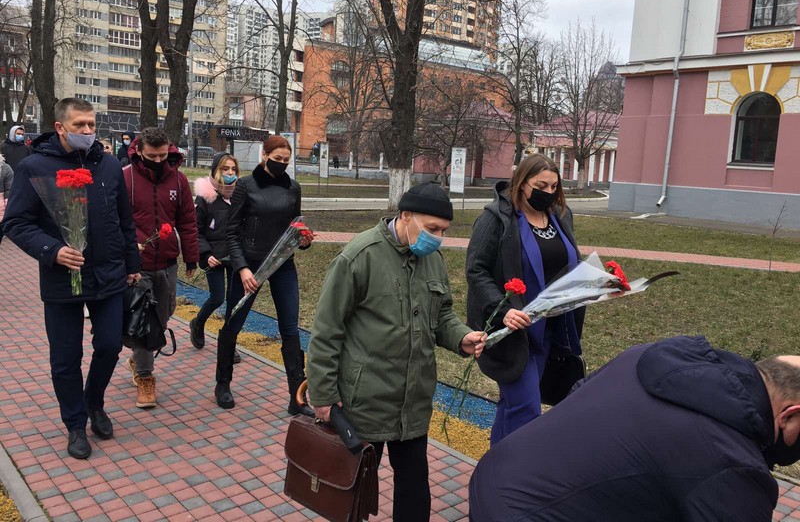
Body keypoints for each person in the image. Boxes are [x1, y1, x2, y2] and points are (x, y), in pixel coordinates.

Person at [469, 335, 800, 521]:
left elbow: (578, 390)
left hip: (496, 473)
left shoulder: (658, 355)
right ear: (789, 414)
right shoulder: (735, 465)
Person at [307, 182, 487, 522]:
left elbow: (443, 315)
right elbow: (327, 331)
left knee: (414, 489)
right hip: (364, 404)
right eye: (432, 228)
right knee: (351, 492)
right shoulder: (359, 256)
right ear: (405, 215)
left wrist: (462, 337)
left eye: (444, 231)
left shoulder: (432, 260)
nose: (438, 238)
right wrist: (323, 395)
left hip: (413, 402)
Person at [1, 98, 141, 460]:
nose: (88, 131)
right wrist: (52, 250)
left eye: (91, 124)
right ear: (60, 127)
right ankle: (75, 424)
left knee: (109, 345)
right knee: (65, 357)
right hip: (62, 278)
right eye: (79, 125)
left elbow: (124, 221)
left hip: (108, 275)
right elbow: (15, 223)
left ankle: (94, 402)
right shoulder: (34, 166)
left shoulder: (109, 165)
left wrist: (132, 262)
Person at [466, 153, 584, 445]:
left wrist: (600, 286)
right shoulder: (496, 219)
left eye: (554, 186)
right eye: (541, 186)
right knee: (527, 409)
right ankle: (516, 470)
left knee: (514, 406)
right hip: (514, 333)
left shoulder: (561, 216)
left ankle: (496, 467)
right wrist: (503, 309)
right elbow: (476, 270)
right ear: (521, 183)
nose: (549, 193)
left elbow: (570, 264)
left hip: (552, 330)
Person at [217, 136, 313, 411]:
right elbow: (231, 232)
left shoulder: (293, 188)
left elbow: (295, 226)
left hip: (283, 265)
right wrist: (242, 268)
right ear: (265, 156)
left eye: (286, 160)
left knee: (290, 329)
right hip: (249, 266)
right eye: (277, 159)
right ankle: (222, 383)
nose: (281, 164)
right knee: (233, 323)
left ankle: (297, 396)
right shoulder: (245, 186)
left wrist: (303, 240)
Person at [123, 127, 199, 409]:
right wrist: (127, 251)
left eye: (163, 156)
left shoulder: (178, 179)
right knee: (145, 321)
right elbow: (116, 221)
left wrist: (191, 257)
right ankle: (145, 376)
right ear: (139, 151)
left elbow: (188, 221)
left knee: (165, 314)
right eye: (152, 156)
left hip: (167, 262)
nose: (158, 161)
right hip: (137, 265)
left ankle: (137, 358)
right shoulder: (126, 178)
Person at [190, 152, 241, 363]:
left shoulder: (240, 195)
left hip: (236, 257)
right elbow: (196, 229)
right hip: (214, 257)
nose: (230, 173)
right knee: (218, 297)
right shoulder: (205, 197)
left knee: (235, 302)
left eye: (233, 169)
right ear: (216, 170)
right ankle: (198, 323)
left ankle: (229, 343)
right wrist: (206, 254)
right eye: (225, 169)